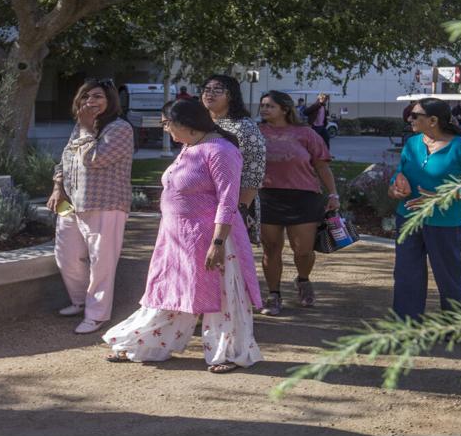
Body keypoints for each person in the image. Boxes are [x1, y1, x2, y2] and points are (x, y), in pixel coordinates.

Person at [102, 100, 262, 372]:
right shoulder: (190, 148)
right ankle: (146, 345)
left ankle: (229, 353)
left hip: (215, 239)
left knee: (223, 297)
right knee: (169, 291)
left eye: (166, 123)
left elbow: (228, 200)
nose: (165, 130)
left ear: (185, 123)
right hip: (179, 240)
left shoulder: (221, 150)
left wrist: (218, 242)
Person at [387, 97, 461, 321]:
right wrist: (395, 188)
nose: (409, 119)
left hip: (444, 223)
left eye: (415, 116)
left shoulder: (460, 148)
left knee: (449, 276)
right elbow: (400, 173)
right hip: (408, 218)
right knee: (406, 274)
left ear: (433, 120)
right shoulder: (412, 143)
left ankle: (454, 326)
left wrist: (440, 197)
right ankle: (406, 323)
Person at [48, 78, 135, 334]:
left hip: (105, 204)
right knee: (65, 254)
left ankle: (96, 314)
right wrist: (57, 188)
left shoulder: (120, 129)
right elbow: (64, 160)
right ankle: (79, 301)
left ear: (110, 101)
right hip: (71, 204)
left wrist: (86, 129)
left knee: (102, 263)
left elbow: (95, 159)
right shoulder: (80, 127)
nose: (90, 101)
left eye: (97, 96)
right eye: (86, 96)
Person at [255, 91, 337, 314]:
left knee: (303, 250)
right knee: (271, 248)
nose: (264, 109)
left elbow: (322, 166)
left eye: (270, 106)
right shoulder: (256, 133)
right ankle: (274, 295)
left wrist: (333, 194)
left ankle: (302, 279)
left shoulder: (305, 133)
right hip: (268, 196)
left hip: (304, 197)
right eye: (262, 105)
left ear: (285, 109)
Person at [201, 74, 266, 252]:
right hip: (200, 205)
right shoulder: (199, 124)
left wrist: (240, 211)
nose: (209, 94)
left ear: (230, 95)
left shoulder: (245, 127)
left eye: (216, 90)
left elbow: (254, 173)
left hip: (233, 206)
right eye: (206, 90)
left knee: (229, 263)